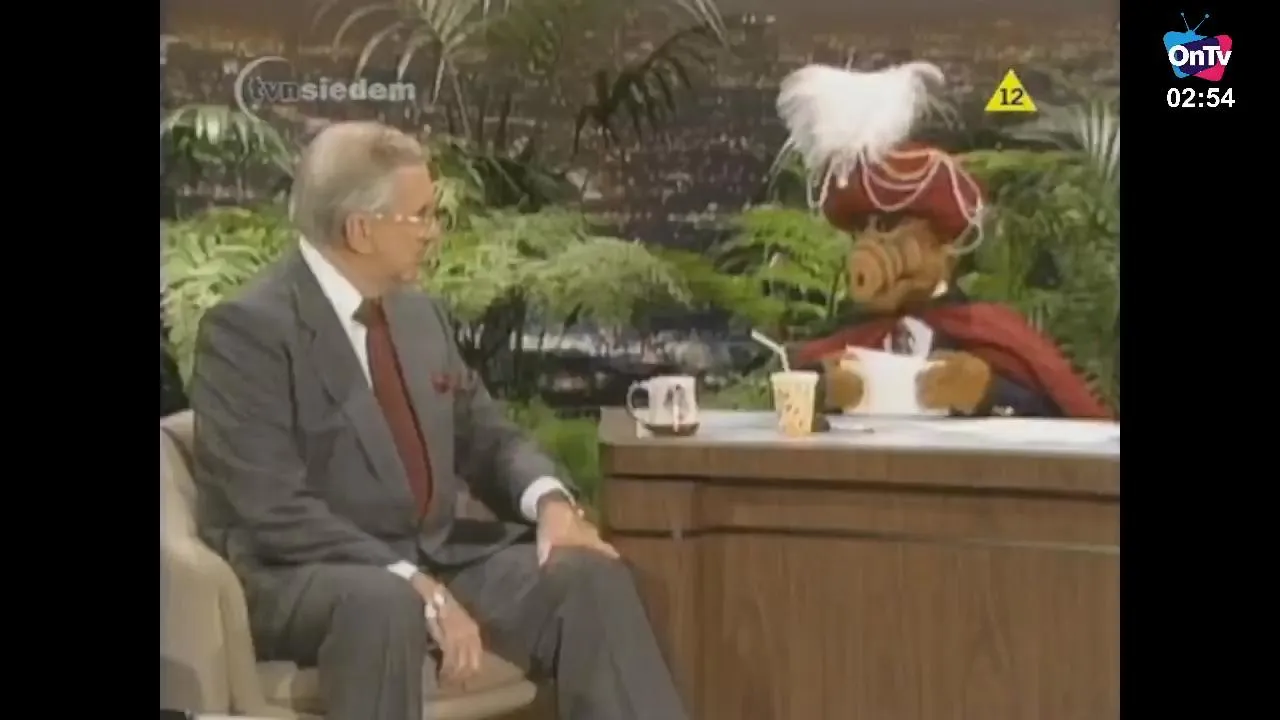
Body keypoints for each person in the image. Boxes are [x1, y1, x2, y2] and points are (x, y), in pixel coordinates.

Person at [189, 121, 687, 720]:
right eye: (421, 215)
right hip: (307, 572)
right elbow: (273, 510)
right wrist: (410, 580)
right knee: (383, 603)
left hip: (437, 553)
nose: (433, 232)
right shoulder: (249, 331)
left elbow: (487, 436)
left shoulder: (418, 316)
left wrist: (551, 502)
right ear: (361, 229)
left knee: (588, 578)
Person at [775, 62, 1112, 419]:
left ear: (944, 248)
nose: (872, 245)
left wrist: (989, 392)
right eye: (863, 230)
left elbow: (1061, 418)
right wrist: (827, 390)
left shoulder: (990, 333)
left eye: (889, 226)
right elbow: (795, 401)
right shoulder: (850, 336)